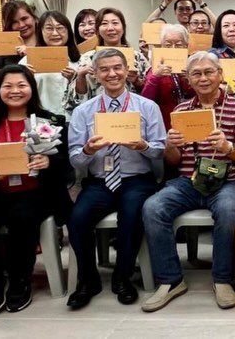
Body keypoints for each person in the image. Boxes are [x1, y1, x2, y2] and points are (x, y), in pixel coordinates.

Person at [141, 52, 235, 312]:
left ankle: (223, 278)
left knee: (227, 211)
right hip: (188, 182)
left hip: (228, 180)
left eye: (208, 72)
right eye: (196, 74)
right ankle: (170, 280)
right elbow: (173, 160)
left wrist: (227, 146)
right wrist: (170, 145)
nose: (203, 78)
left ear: (220, 75)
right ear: (188, 80)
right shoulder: (181, 110)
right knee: (152, 207)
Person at [66, 48, 166, 310]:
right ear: (96, 75)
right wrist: (88, 150)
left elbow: (160, 151)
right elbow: (75, 160)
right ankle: (88, 280)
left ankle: (123, 278)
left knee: (132, 214)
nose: (112, 74)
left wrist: (143, 146)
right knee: (77, 219)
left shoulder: (147, 107)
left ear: (126, 71)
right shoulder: (83, 112)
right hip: (99, 181)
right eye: (105, 69)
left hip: (136, 179)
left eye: (117, 68)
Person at [0, 65, 72, 315]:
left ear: (32, 88)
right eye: (7, 86)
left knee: (22, 216)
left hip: (37, 193)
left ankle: (20, 281)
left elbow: (68, 169)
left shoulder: (52, 121)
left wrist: (49, 163)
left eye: (21, 85)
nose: (15, 91)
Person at [66, 8, 150, 111]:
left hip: (132, 116)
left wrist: (136, 81)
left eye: (115, 23)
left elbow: (151, 92)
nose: (110, 28)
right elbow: (77, 100)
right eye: (104, 24)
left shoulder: (138, 58)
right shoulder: (87, 58)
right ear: (97, 30)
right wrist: (81, 76)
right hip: (95, 115)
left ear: (123, 28)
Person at [18, 11, 82, 120]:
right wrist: (27, 78)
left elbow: (88, 96)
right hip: (42, 122)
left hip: (73, 120)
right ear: (40, 32)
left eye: (60, 28)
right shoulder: (27, 61)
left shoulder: (80, 60)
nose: (55, 33)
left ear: (68, 32)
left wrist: (74, 80)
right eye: (49, 28)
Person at [140, 24, 195, 130]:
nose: (173, 49)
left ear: (186, 46)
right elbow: (145, 101)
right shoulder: (155, 70)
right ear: (161, 46)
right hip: (164, 125)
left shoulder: (193, 67)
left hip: (191, 121)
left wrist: (190, 81)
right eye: (168, 45)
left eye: (178, 45)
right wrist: (155, 77)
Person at [0, 0, 38, 88]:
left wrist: (30, 54)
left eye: (24, 19)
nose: (21, 25)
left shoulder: (47, 38)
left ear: (33, 17)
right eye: (14, 22)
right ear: (8, 25)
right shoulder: (3, 44)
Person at [146, 0, 217, 29]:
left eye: (188, 9)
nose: (185, 12)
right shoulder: (172, 30)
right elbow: (146, 26)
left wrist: (201, 3)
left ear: (194, 11)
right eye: (181, 9)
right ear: (175, 12)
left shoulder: (201, 29)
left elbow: (218, 26)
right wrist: (164, 4)